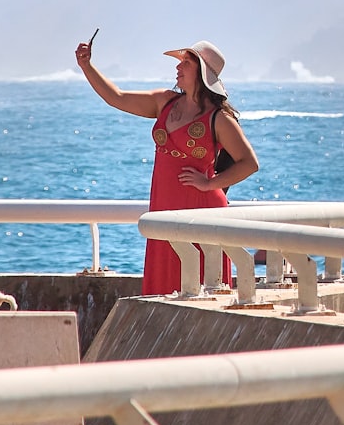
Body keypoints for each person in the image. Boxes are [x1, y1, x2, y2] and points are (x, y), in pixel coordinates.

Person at [75, 37, 259, 295]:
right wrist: (86, 66)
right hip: (163, 207)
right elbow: (115, 97)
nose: (177, 67)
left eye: (186, 62)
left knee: (201, 291)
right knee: (164, 287)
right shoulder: (165, 101)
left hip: (203, 213)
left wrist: (210, 183)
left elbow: (249, 163)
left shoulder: (218, 118)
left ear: (202, 73)